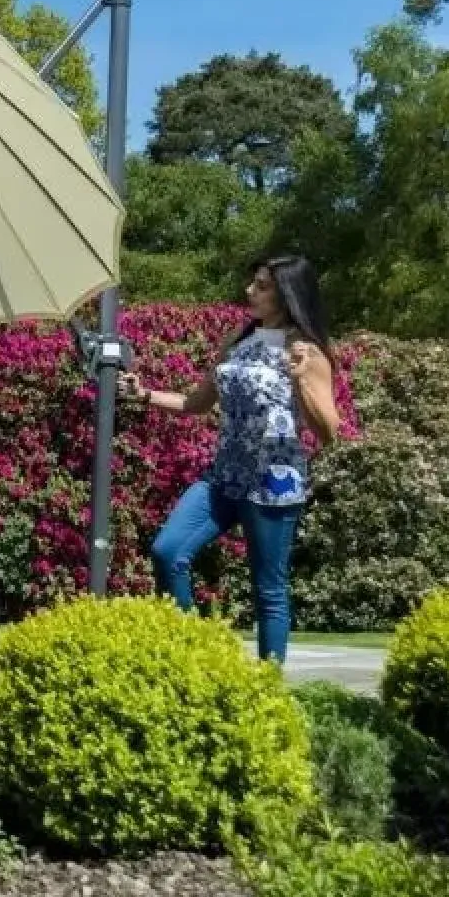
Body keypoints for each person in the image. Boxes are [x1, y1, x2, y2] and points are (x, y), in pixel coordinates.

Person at [118, 256, 342, 662]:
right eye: (252, 283)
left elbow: (327, 430)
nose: (250, 292)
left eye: (262, 286)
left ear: (288, 293)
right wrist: (143, 394)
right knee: (168, 552)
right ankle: (197, 661)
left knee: (268, 588)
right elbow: (195, 403)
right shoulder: (238, 341)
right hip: (224, 477)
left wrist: (299, 380)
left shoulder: (306, 351)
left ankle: (266, 688)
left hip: (274, 482)